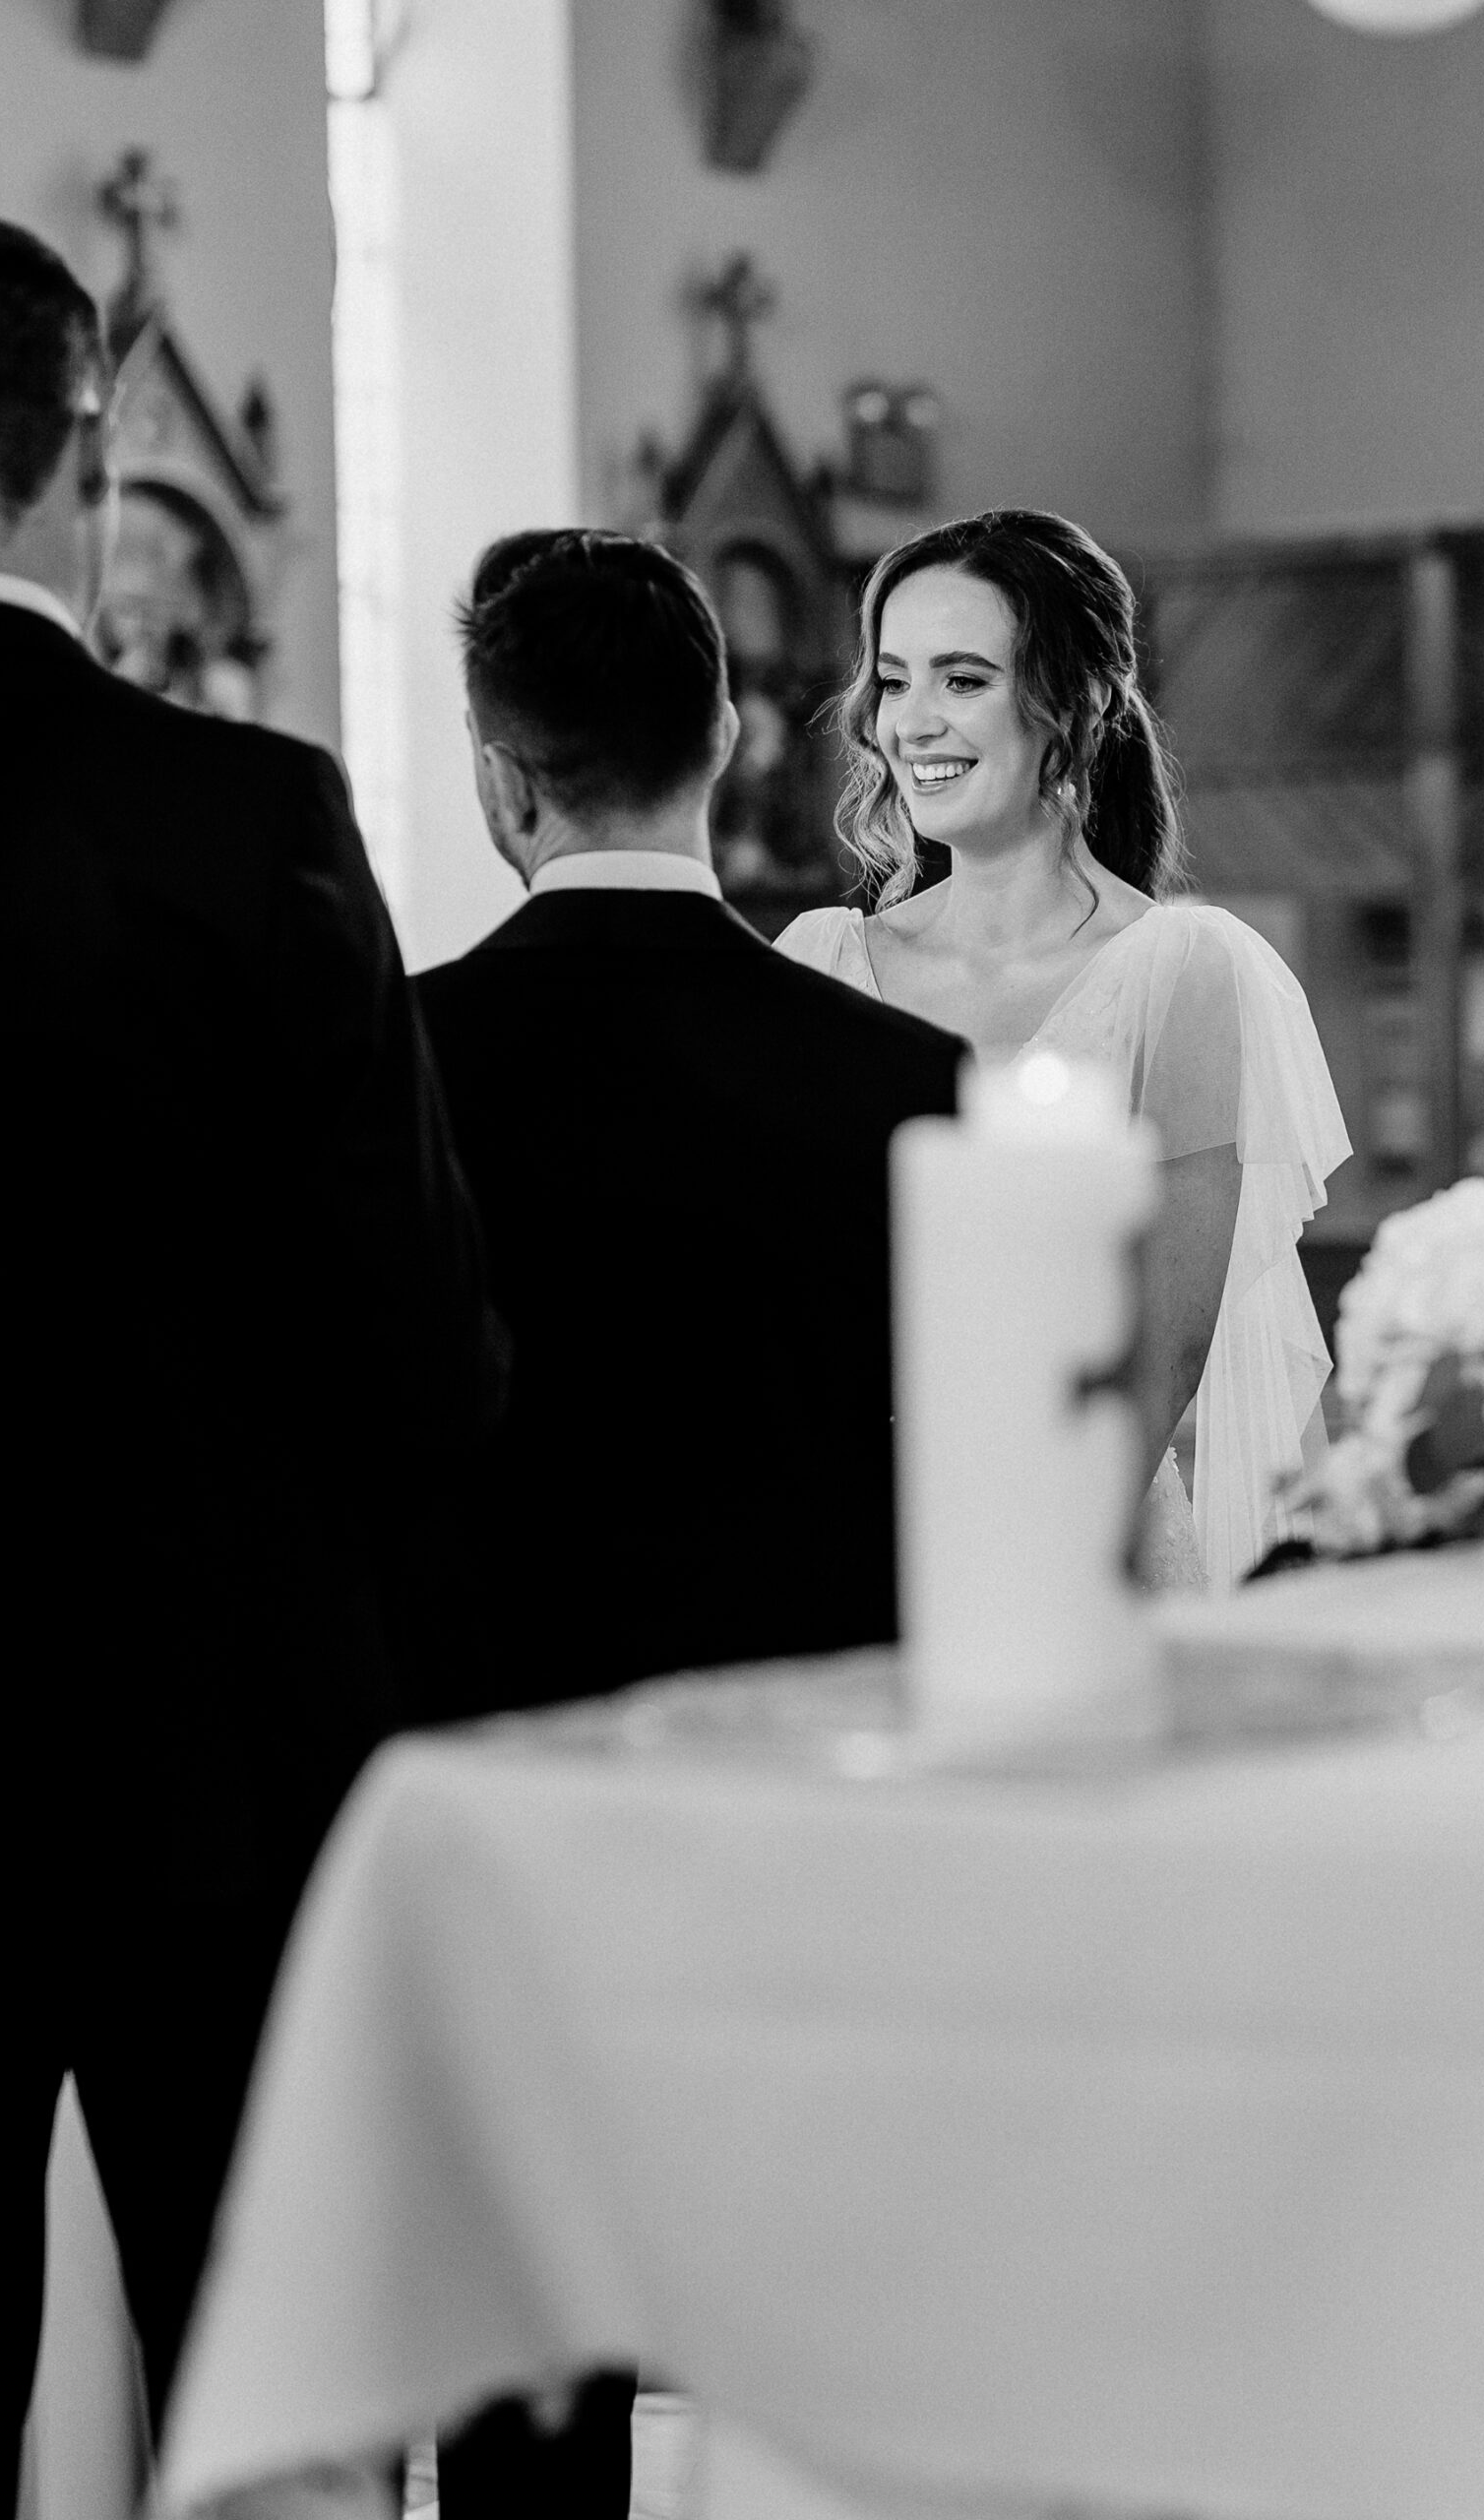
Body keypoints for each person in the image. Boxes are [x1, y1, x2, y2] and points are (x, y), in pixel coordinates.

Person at [0, 202, 506, 2513]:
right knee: (265, 2387)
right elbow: (419, 1334)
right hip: (208, 1731)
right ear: (88, 437)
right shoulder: (238, 814)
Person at [413, 527, 962, 2518]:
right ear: (727, 743)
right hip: (816, 1811)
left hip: (496, 1791)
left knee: (522, 2384)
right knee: (821, 2365)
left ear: (501, 773)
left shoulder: (393, 1064)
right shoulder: (909, 1081)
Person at [778, 508, 1350, 1588]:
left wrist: (997, 1563)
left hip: (1085, 1558)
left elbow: (1164, 1359)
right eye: (894, 682)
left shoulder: (1180, 969)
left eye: (963, 678)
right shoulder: (819, 961)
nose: (913, 723)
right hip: (843, 1544)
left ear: (1076, 701)